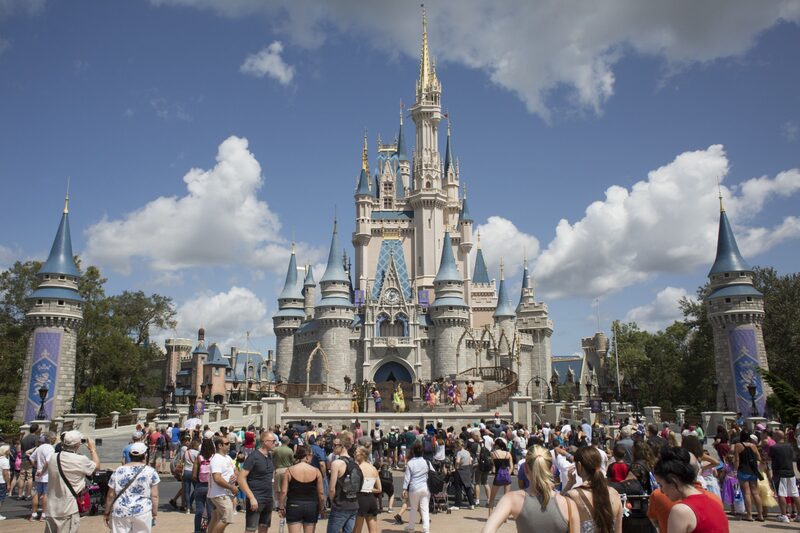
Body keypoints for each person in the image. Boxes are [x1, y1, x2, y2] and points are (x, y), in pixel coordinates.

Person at [483, 446, 578, 533]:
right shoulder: (569, 504)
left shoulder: (511, 499)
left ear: (525, 468)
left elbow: (487, 530)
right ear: (552, 470)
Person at [652, 447, 727, 532]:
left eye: (661, 485)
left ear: (673, 480)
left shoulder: (681, 511)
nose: (661, 491)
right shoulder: (715, 501)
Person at [45, 430, 100, 533]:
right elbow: (96, 467)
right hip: (68, 508)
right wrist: (92, 450)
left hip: (52, 507)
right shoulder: (80, 459)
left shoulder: (53, 457)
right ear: (78, 444)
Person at [104, 441, 160, 532]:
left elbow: (110, 495)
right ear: (145, 455)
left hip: (121, 511)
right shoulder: (151, 472)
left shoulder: (118, 471)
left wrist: (107, 512)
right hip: (142, 511)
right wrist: (154, 513)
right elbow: (154, 496)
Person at [565, 446, 623, 533]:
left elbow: (556, 511)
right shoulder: (614, 493)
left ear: (579, 465)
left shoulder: (572, 496)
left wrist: (569, 484)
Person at [279, 445, 325, 533]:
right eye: (312, 455)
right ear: (307, 455)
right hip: (311, 506)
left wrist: (281, 507)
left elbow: (283, 492)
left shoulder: (289, 470)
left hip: (294, 505)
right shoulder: (316, 471)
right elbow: (321, 493)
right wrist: (321, 507)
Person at [239, 430, 277, 533]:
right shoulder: (254, 457)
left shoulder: (270, 456)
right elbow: (241, 478)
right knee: (251, 530)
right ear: (265, 441)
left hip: (268, 499)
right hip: (256, 498)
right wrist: (251, 497)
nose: (275, 443)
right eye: (273, 441)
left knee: (264, 528)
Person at [327, 431, 359, 533]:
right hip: (353, 504)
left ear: (342, 446)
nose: (333, 447)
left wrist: (332, 502)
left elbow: (331, 489)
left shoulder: (336, 463)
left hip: (340, 504)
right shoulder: (354, 462)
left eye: (335, 445)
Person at [767, 430, 799, 523]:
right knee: (795, 494)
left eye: (774, 435)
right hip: (791, 472)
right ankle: (799, 515)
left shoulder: (774, 447)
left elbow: (768, 458)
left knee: (781, 494)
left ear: (777, 436)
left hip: (780, 473)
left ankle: (784, 515)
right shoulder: (790, 446)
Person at [208, 435, 238, 533]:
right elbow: (217, 478)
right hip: (220, 493)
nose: (229, 445)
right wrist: (231, 487)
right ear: (220, 445)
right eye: (227, 443)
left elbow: (236, 470)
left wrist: (235, 476)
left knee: (217, 516)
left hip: (225, 493)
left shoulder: (227, 457)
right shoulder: (216, 459)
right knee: (227, 517)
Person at [733, 429, 763, 521]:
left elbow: (737, 460)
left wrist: (735, 470)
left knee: (746, 493)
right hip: (753, 472)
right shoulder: (754, 446)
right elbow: (759, 458)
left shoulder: (738, 445)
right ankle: (760, 515)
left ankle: (749, 515)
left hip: (743, 471)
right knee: (755, 493)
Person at [403, 441, 431, 533]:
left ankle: (411, 528)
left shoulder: (410, 463)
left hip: (414, 488)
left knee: (413, 508)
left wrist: (404, 489)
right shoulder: (427, 462)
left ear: (413, 452)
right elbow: (433, 472)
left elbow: (407, 478)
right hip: (425, 487)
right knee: (425, 508)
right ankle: (426, 529)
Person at [353, 446, 381, 533]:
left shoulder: (357, 468)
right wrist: (369, 488)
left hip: (360, 499)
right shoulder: (373, 468)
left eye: (356, 452)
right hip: (372, 499)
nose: (354, 454)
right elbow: (379, 489)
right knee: (373, 530)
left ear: (362, 455)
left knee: (357, 529)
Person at [29, 432, 56, 521]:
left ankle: (33, 514)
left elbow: (31, 458)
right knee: (45, 494)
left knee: (36, 494)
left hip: (39, 474)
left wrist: (36, 467)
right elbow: (48, 462)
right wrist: (42, 471)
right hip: (46, 475)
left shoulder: (39, 448)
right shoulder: (50, 448)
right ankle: (43, 515)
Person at [192, 438, 215, 533]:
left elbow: (194, 475)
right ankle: (210, 530)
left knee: (199, 511)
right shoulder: (213, 457)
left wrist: (197, 481)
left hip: (200, 486)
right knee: (210, 512)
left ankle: (197, 530)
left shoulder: (199, 457)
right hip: (211, 487)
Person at [488, 437, 512, 515]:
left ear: (496, 445)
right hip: (506, 476)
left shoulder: (493, 453)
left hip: (498, 475)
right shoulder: (508, 454)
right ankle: (505, 517)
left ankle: (490, 515)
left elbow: (493, 465)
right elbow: (511, 466)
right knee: (506, 498)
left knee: (492, 498)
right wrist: (507, 474)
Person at [453, 440, 475, 509]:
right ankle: (472, 504)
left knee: (458, 488)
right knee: (467, 488)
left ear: (458, 445)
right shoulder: (468, 452)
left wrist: (456, 467)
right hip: (467, 470)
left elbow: (457, 461)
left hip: (460, 470)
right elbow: (470, 462)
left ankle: (457, 505)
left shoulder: (459, 453)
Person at [0, 444, 11, 521]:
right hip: (2, 481)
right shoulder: (5, 461)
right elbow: (5, 473)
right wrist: (8, 483)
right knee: (1, 498)